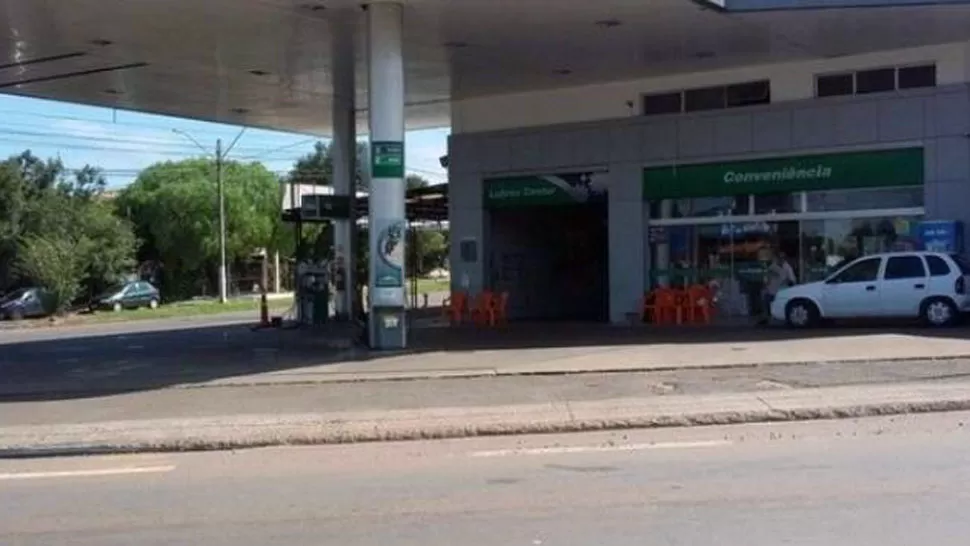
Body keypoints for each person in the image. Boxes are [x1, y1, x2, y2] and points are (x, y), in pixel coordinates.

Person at [758, 251, 797, 325]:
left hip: (782, 291)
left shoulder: (787, 267)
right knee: (766, 303)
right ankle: (767, 318)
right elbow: (766, 278)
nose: (780, 259)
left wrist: (788, 283)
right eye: (778, 258)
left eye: (782, 258)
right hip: (771, 290)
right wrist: (765, 284)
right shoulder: (772, 267)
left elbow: (792, 280)